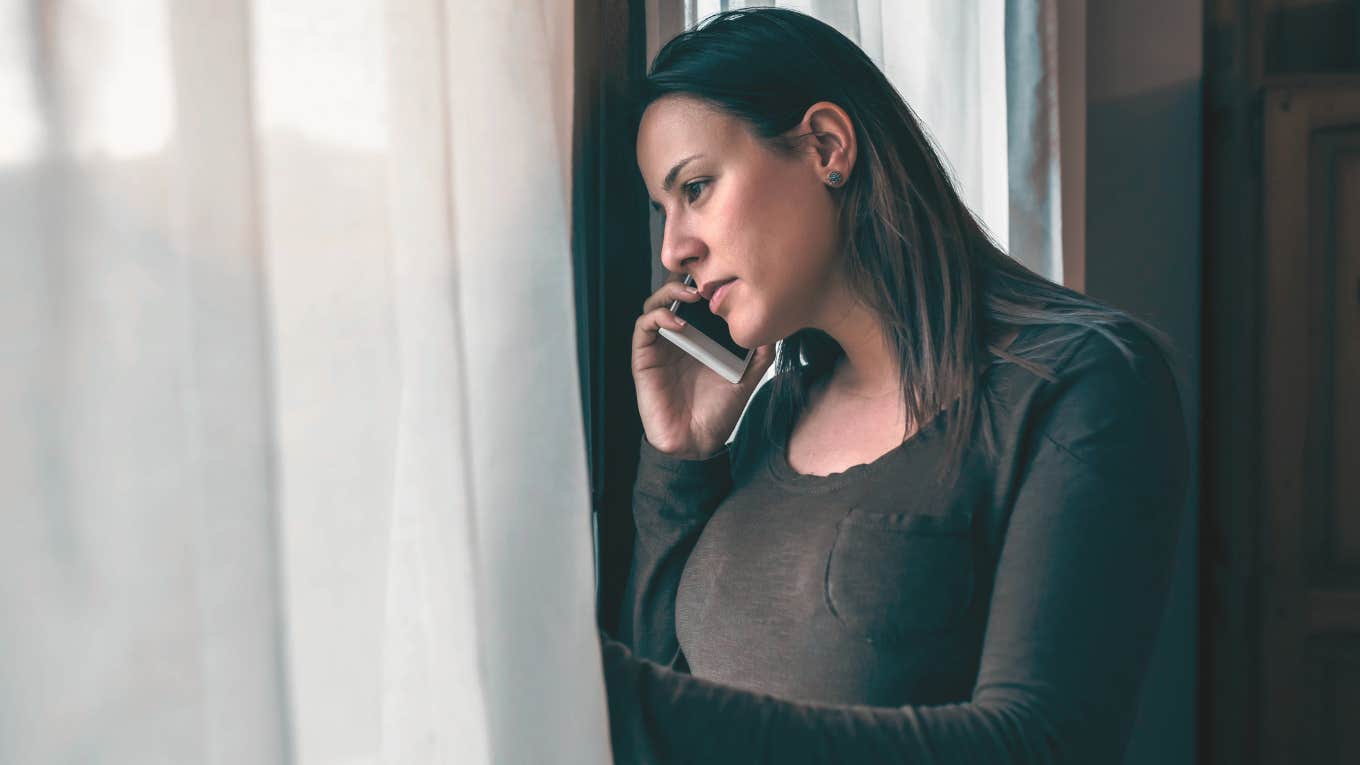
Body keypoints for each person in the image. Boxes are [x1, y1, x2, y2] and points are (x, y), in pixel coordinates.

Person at [599, 8, 1188, 764]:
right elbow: (658, 701)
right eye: (663, 211)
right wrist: (680, 460)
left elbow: (1040, 742)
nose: (676, 248)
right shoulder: (774, 414)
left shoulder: (1082, 382)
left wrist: (630, 700)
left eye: (698, 188)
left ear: (825, 146)